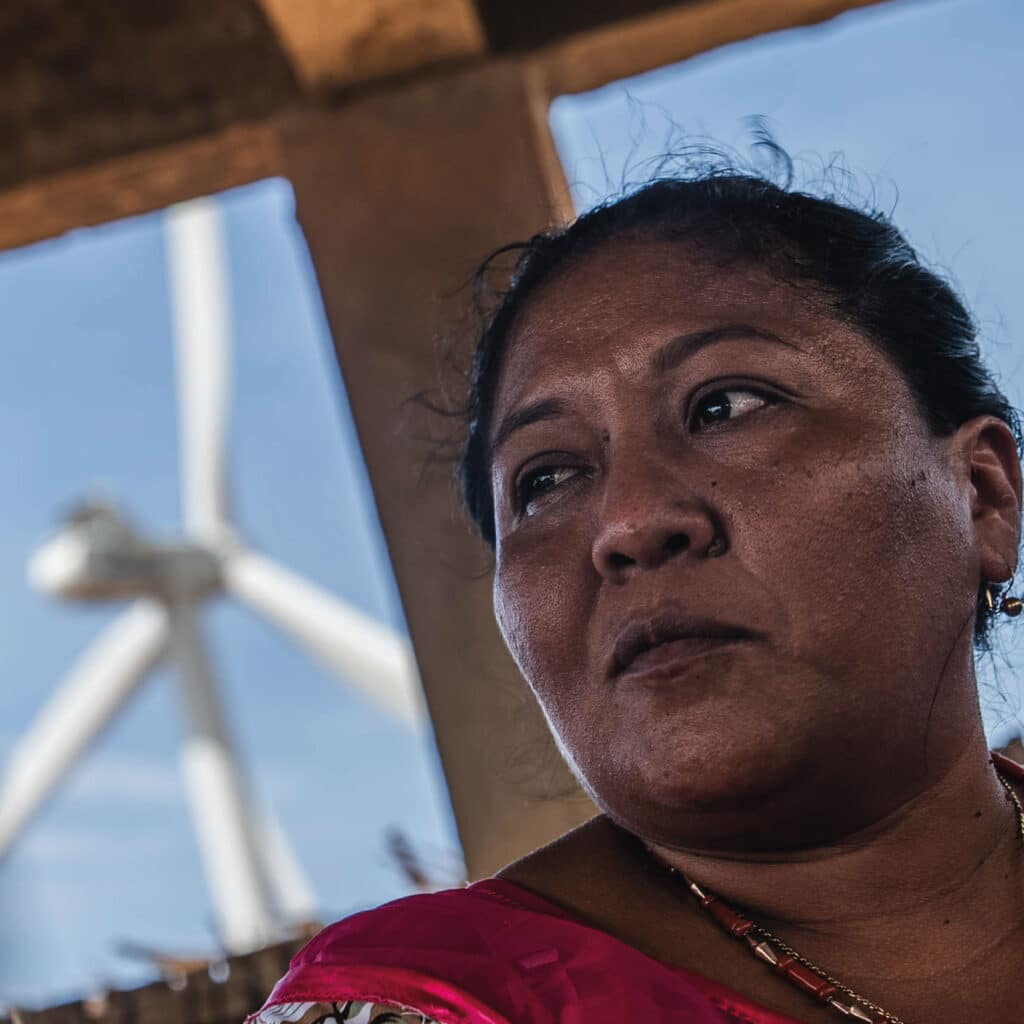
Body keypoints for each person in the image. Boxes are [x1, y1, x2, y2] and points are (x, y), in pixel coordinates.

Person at [248, 155, 1024, 1024]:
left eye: (726, 405)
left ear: (983, 496)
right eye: (546, 480)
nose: (630, 523)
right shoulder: (436, 1000)